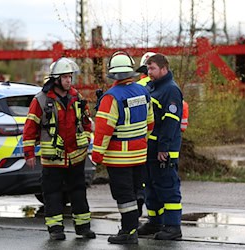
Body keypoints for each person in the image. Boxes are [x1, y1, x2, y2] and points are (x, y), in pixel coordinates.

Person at [22, 57, 95, 240]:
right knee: (52, 194)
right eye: (65, 77)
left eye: (70, 77)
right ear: (56, 79)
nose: (69, 81)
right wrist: (29, 153)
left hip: (76, 156)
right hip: (53, 159)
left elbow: (86, 122)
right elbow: (30, 128)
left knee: (79, 192)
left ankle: (83, 227)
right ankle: (55, 230)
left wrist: (86, 140)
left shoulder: (76, 97)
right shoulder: (40, 100)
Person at [92, 51, 154, 244]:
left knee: (124, 195)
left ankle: (128, 232)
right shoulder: (143, 91)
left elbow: (103, 130)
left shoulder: (111, 97)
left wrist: (97, 154)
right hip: (140, 154)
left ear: (113, 73)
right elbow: (150, 123)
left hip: (119, 158)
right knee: (136, 191)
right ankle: (132, 227)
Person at [135, 52, 189, 218]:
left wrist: (163, 148)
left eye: (152, 68)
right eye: (148, 68)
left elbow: (170, 123)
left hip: (164, 151)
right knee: (151, 187)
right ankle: (155, 221)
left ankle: (172, 226)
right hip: (152, 148)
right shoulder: (154, 87)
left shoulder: (170, 90)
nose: (149, 72)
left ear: (164, 68)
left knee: (167, 188)